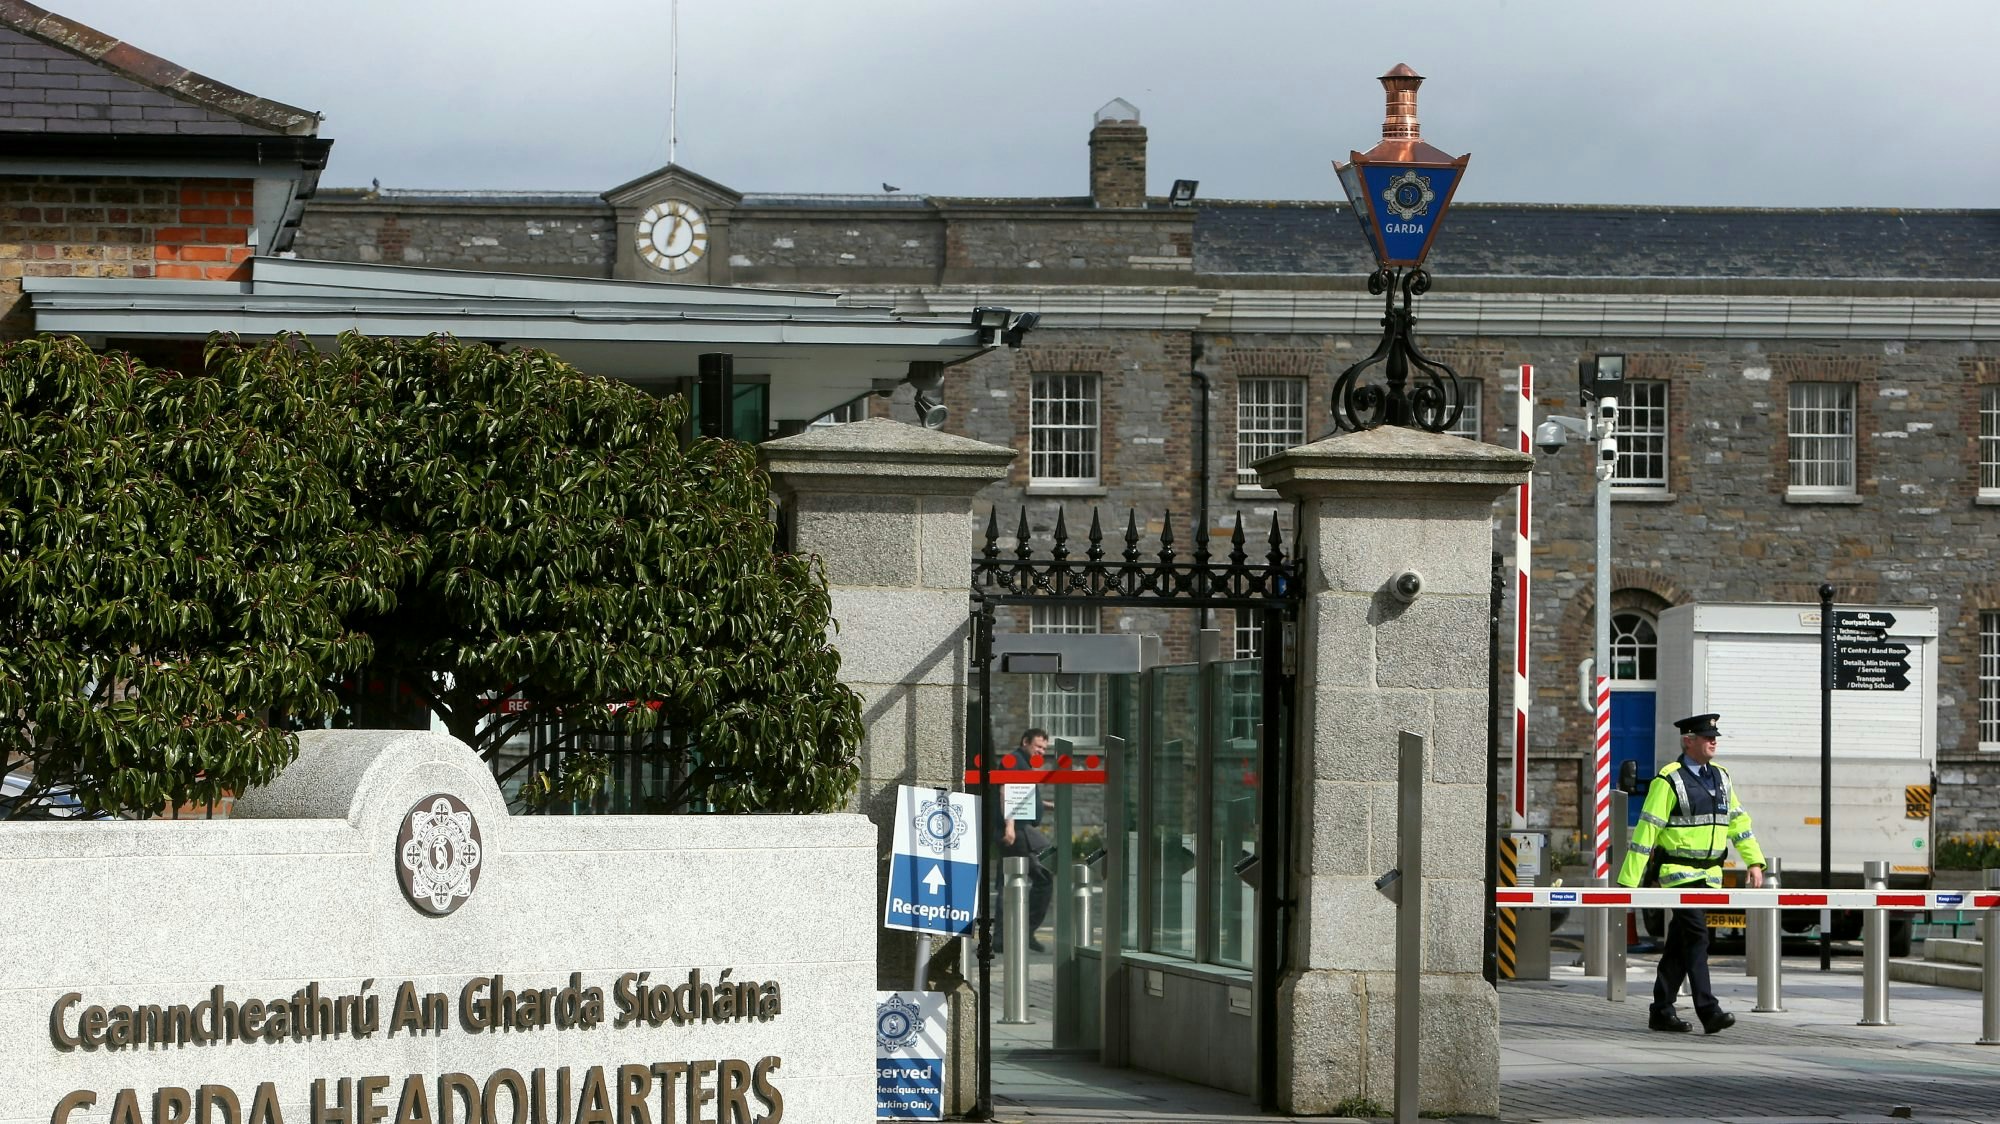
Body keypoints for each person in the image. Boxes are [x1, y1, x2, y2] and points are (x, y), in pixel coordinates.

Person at [1617, 711, 1765, 1035]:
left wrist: (1755, 861)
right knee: (1698, 935)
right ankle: (1708, 1011)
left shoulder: (1722, 777)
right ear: (1689, 741)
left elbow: (1739, 824)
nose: (1713, 741)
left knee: (1680, 944)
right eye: (1706, 737)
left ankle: (1661, 1010)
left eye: (1715, 737)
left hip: (1709, 875)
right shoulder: (1669, 779)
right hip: (1677, 874)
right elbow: (1647, 831)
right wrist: (1627, 883)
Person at [999, 728, 1056, 952]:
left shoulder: (1023, 761)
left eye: (1044, 748)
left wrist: (1048, 805)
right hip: (1019, 829)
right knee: (1045, 873)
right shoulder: (1014, 760)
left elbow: (1023, 796)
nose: (1041, 751)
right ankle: (1026, 931)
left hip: (1018, 827)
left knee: (1006, 882)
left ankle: (1001, 939)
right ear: (1025, 741)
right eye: (1038, 746)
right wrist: (1010, 826)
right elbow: (1006, 791)